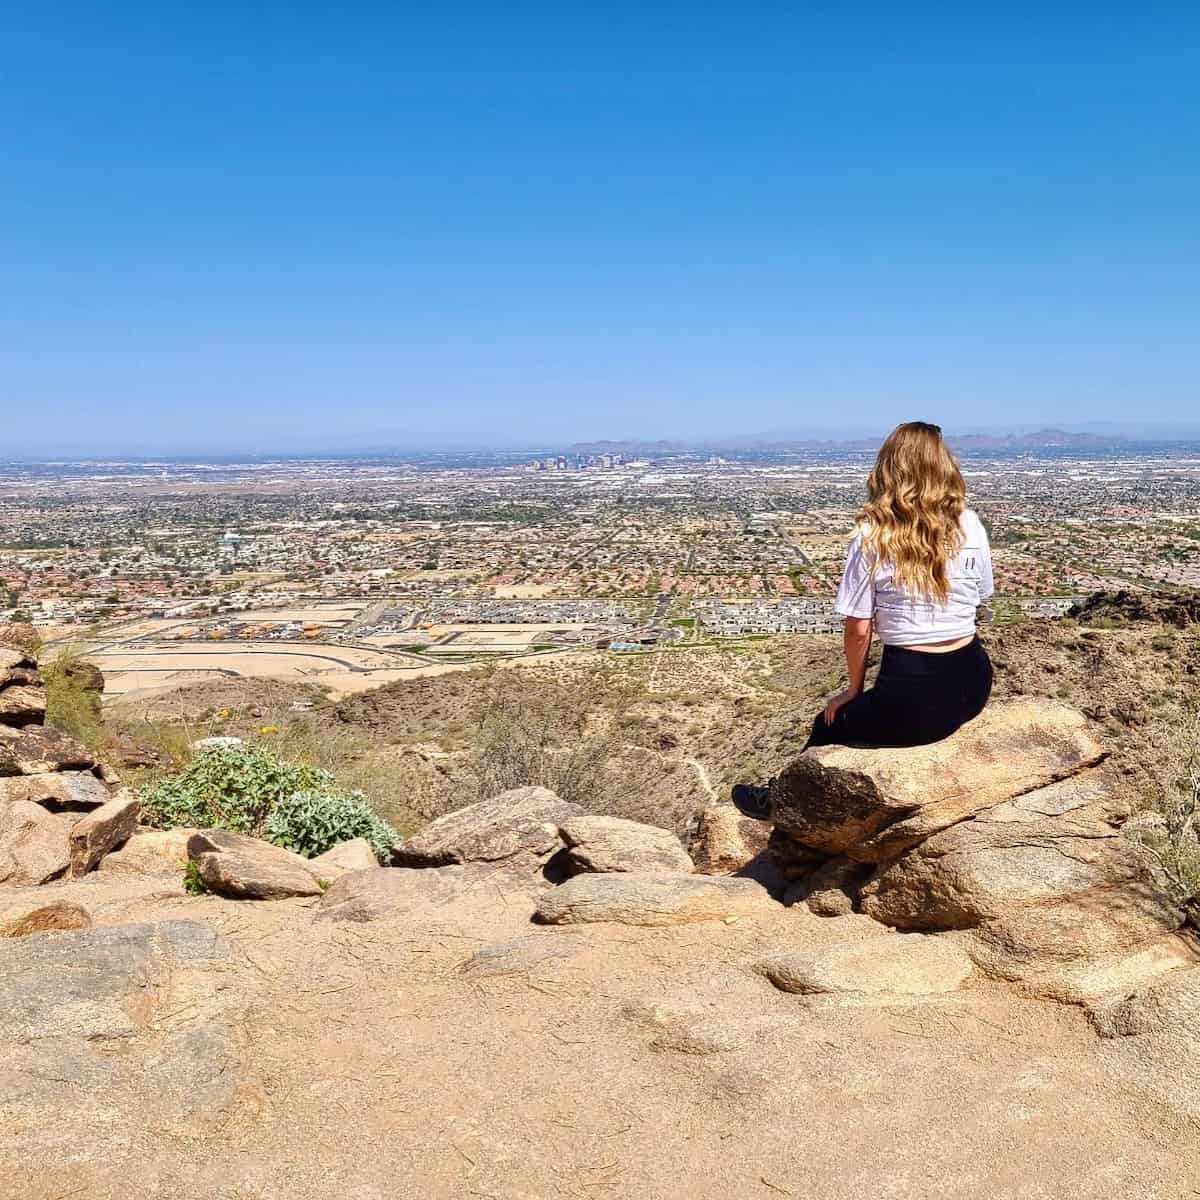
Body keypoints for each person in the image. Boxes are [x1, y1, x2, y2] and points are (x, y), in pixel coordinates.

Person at [732, 421, 994, 820]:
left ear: (889, 469)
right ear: (944, 466)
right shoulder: (969, 523)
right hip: (973, 682)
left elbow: (858, 628)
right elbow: (981, 596)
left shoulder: (873, 534)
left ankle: (779, 802)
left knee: (829, 724)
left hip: (915, 693)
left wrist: (852, 690)